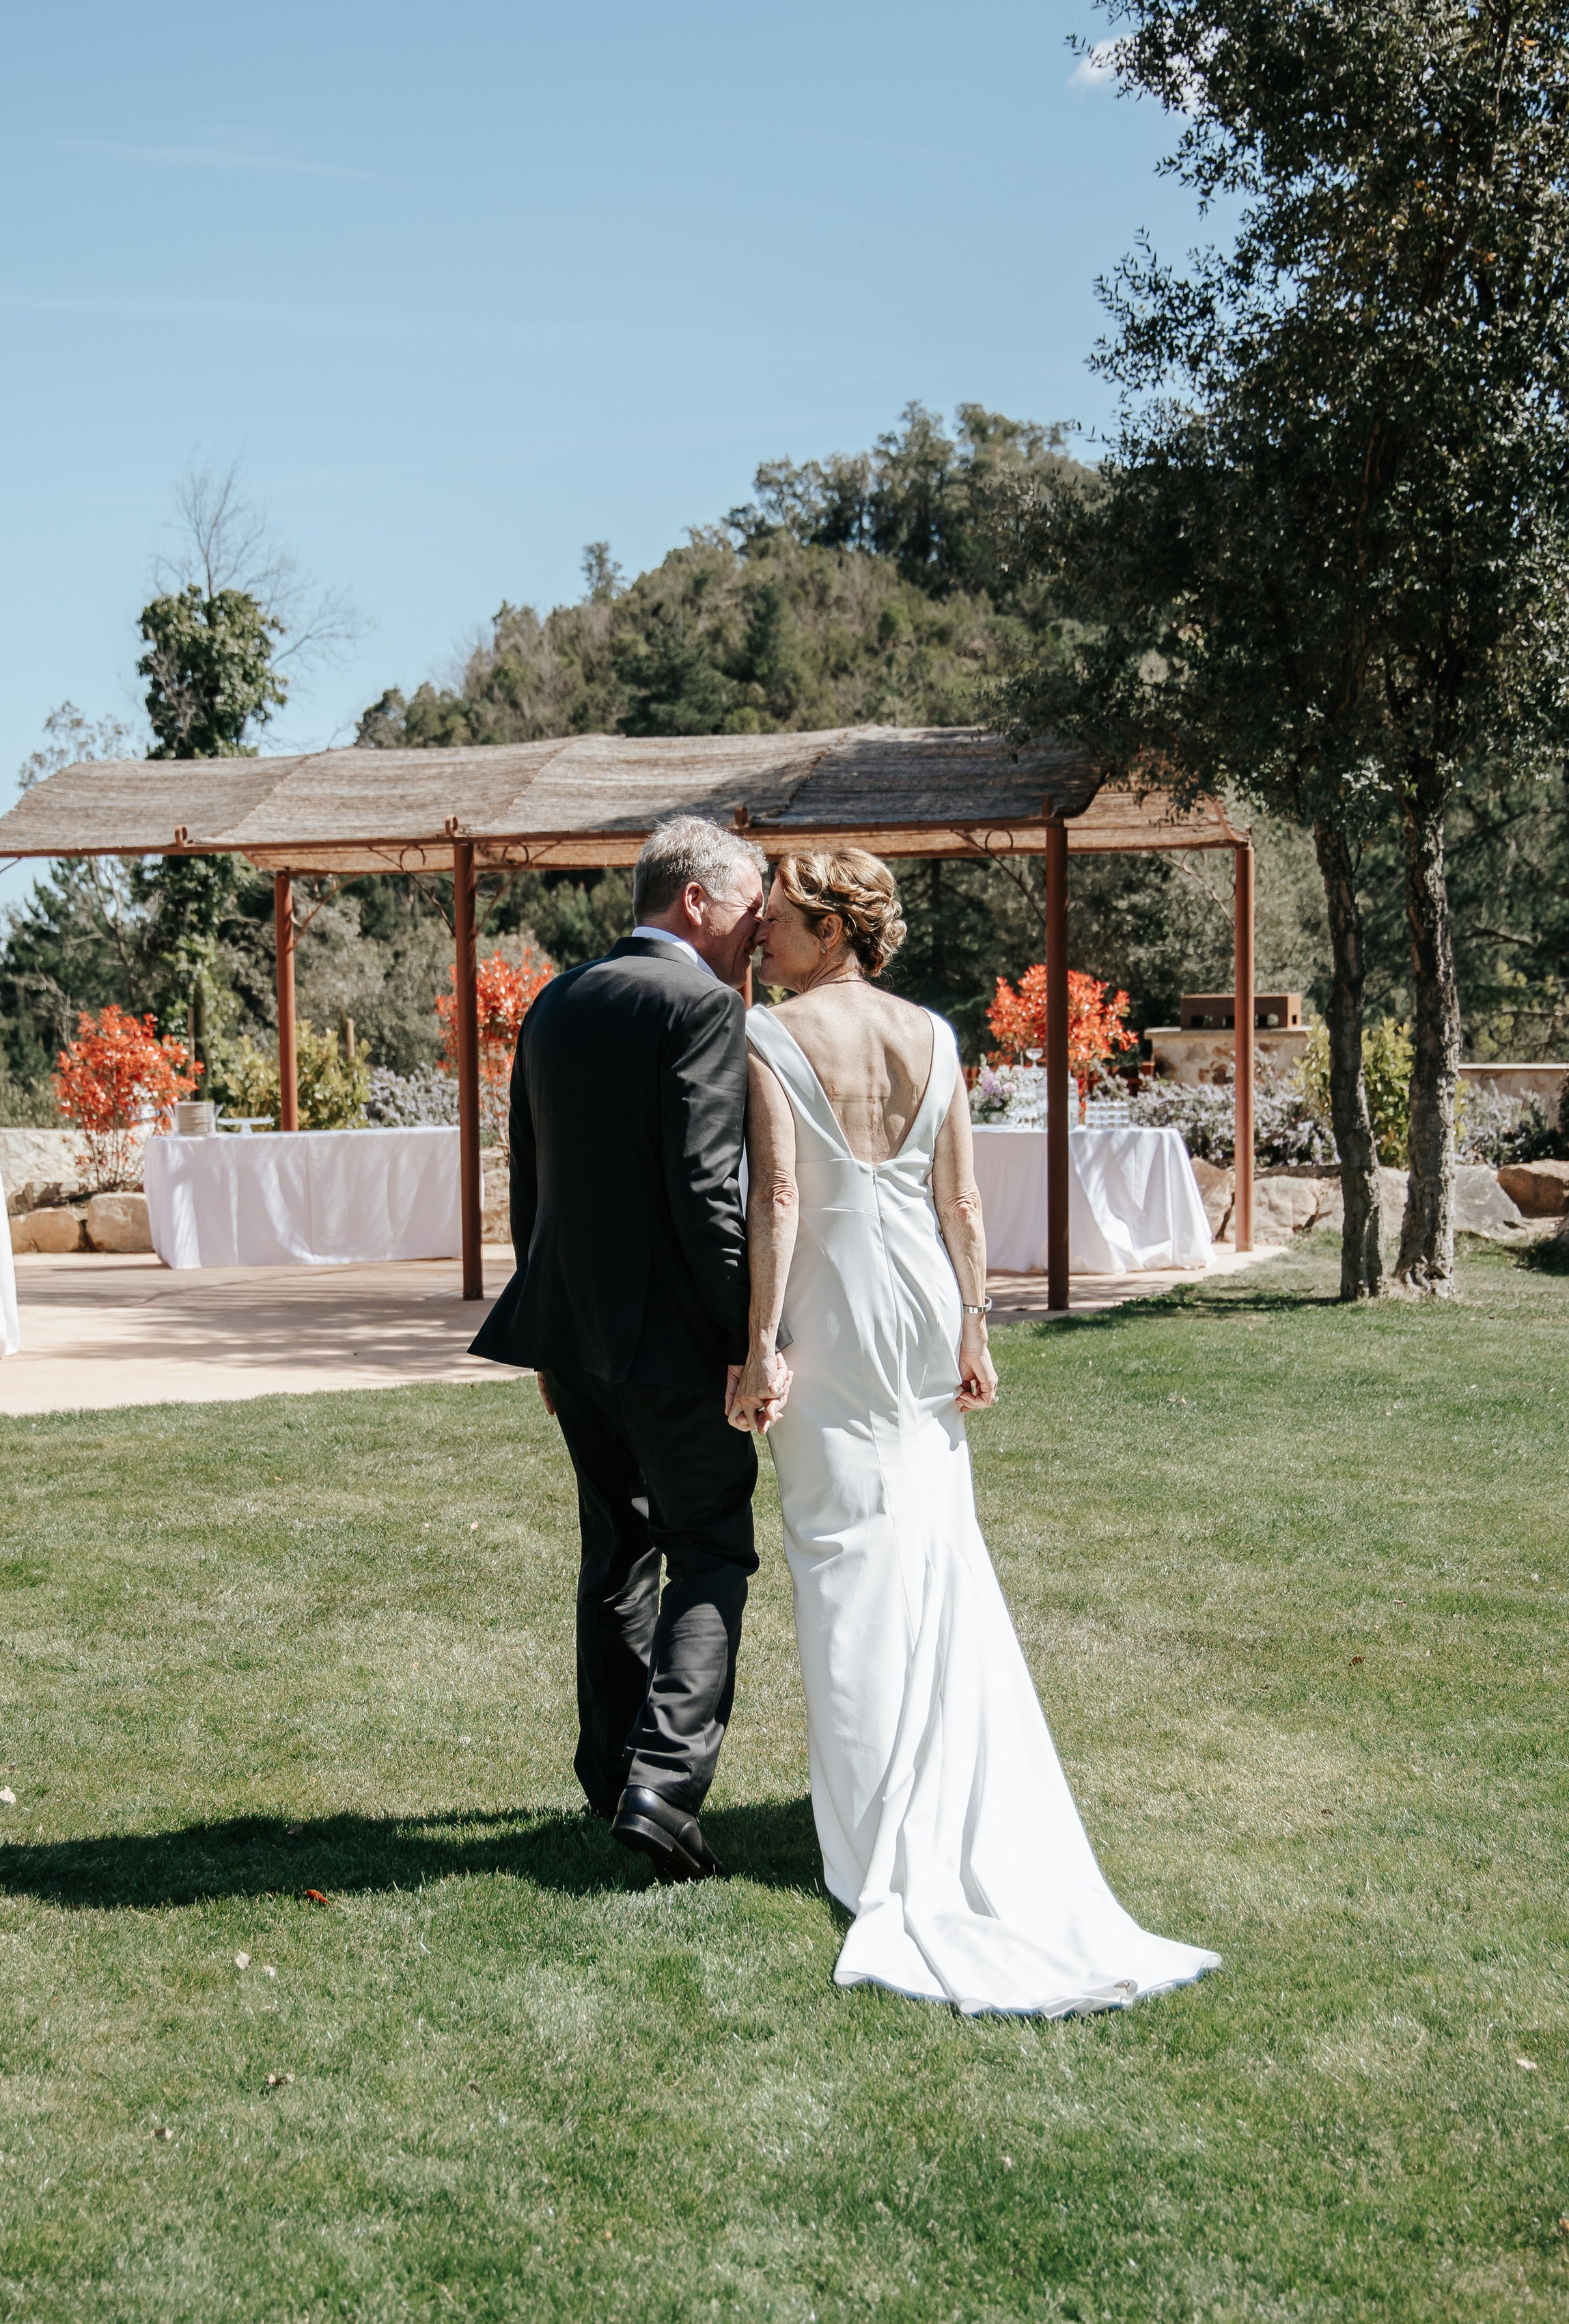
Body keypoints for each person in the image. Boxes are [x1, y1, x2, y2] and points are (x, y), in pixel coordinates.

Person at [729, 847, 1219, 2017]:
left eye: (784, 922)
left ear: (835, 929)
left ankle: (873, 1844)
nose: (764, 939)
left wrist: (760, 1348)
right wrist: (976, 1326)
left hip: (837, 1309)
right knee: (934, 1544)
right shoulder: (938, 1038)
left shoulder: (768, 1037)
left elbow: (781, 1199)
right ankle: (936, 1788)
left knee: (840, 1553)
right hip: (920, 1299)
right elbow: (961, 1201)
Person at [473, 814, 780, 1884]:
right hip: (668, 1339)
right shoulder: (699, 1003)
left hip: (574, 1332)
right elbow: (708, 1191)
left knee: (615, 1552)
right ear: (696, 901)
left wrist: (548, 1338)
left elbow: (529, 1177)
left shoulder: (559, 999)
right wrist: (752, 1333)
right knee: (711, 1546)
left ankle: (611, 1775)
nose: (760, 932)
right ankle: (664, 1784)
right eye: (752, 909)